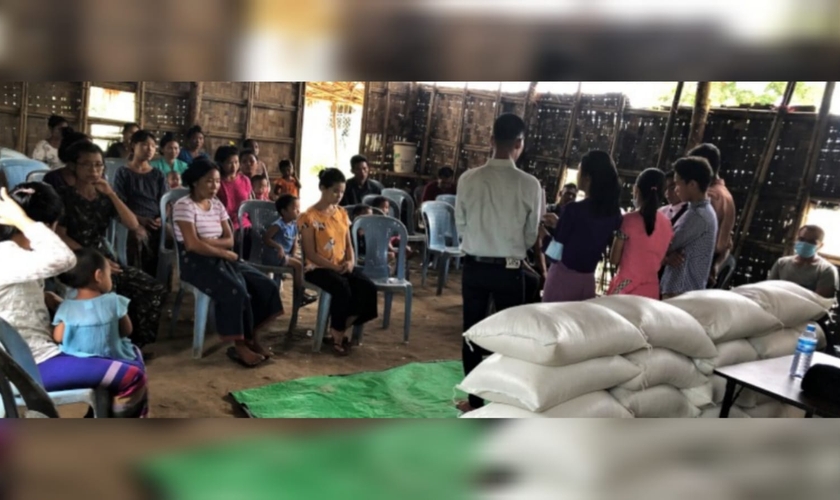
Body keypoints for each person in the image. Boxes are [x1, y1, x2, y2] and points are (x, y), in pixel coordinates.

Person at [0, 183, 148, 417]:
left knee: (130, 360)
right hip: (29, 364)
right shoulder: (8, 254)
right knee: (132, 375)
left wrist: (43, 297)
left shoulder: (16, 254)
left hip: (25, 357)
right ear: (48, 226)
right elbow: (64, 259)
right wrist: (24, 220)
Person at [455, 113, 542, 413]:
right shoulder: (530, 185)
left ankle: (475, 403)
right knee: (508, 339)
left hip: (475, 268)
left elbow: (461, 225)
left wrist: (481, 241)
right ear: (520, 143)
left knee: (472, 334)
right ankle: (503, 404)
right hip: (510, 271)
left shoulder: (468, 179)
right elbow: (531, 237)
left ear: (490, 140)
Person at [55, 141, 167, 349]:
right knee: (109, 289)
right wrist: (97, 260)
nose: (93, 170)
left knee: (153, 288)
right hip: (76, 258)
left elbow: (133, 224)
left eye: (98, 165)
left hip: (104, 258)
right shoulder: (64, 196)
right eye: (87, 165)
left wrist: (111, 194)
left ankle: (134, 342)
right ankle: (107, 344)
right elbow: (60, 236)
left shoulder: (104, 197)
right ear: (74, 167)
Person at [173, 158, 283, 367]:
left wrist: (209, 243)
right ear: (195, 181)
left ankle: (252, 338)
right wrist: (220, 251)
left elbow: (229, 239)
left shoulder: (217, 205)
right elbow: (192, 246)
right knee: (236, 290)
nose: (214, 186)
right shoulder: (183, 206)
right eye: (208, 181)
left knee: (266, 286)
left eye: (216, 181)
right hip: (196, 264)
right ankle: (239, 346)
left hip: (223, 257)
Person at [298, 168, 378, 356]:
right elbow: (310, 253)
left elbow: (349, 244)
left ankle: (339, 327)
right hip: (317, 268)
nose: (338, 196)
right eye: (335, 191)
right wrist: (335, 267)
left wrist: (350, 262)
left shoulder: (341, 213)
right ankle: (336, 337)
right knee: (342, 287)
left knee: (368, 287)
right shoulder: (308, 217)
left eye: (341, 192)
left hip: (341, 265)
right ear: (322, 188)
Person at [541, 150, 623, 303]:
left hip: (562, 281)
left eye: (579, 170)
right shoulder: (614, 214)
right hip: (587, 283)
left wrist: (541, 233)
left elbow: (554, 254)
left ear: (587, 178)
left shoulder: (573, 210)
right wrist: (560, 223)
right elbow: (586, 235)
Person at [53, 248, 137, 362]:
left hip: (79, 364)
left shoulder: (66, 307)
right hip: (112, 360)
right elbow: (127, 330)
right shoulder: (114, 301)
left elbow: (58, 337)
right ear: (99, 276)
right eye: (109, 275)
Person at [608, 168, 674, 299]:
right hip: (651, 290)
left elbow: (614, 259)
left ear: (636, 190)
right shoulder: (667, 224)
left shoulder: (628, 220)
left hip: (625, 287)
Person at [660, 157, 719, 299]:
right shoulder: (699, 211)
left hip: (680, 290)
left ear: (692, 184)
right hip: (682, 289)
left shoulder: (698, 216)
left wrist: (665, 253)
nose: (675, 190)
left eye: (678, 184)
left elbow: (668, 244)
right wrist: (667, 256)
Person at [113, 130, 167, 275]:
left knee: (175, 238)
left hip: (155, 222)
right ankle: (138, 280)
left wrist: (161, 218)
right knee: (138, 236)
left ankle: (163, 285)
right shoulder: (123, 172)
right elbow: (120, 203)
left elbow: (165, 202)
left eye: (153, 146)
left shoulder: (158, 174)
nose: (149, 149)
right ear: (133, 146)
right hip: (133, 220)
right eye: (144, 145)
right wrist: (140, 220)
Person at [688, 143, 735, 286]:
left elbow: (693, 236)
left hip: (699, 265)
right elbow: (728, 244)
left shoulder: (710, 197)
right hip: (712, 262)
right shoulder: (725, 194)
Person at [261, 194, 316, 307]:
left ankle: (301, 289)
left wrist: (293, 254)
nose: (298, 211)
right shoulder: (278, 225)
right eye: (295, 208)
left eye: (299, 208)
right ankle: (299, 295)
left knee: (305, 262)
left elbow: (294, 241)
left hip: (285, 255)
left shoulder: (294, 224)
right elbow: (266, 238)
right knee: (298, 266)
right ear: (284, 212)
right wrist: (279, 247)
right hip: (274, 256)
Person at [769, 225, 838, 299]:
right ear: (796, 240)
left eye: (811, 242)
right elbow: (769, 289)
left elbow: (819, 302)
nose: (805, 244)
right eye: (801, 239)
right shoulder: (781, 263)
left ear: (820, 245)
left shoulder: (826, 270)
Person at [214, 145, 253, 255]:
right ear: (221, 163)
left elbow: (249, 205)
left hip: (245, 223)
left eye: (236, 162)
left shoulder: (245, 180)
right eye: (229, 162)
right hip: (224, 223)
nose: (234, 166)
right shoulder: (217, 182)